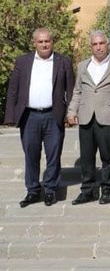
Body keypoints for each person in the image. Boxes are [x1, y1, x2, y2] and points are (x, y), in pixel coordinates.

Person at [5, 28, 74, 207]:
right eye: (41, 41)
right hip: (29, 116)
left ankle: (51, 190)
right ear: (34, 43)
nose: (44, 44)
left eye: (47, 41)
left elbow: (71, 90)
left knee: (53, 154)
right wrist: (11, 116)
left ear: (52, 42)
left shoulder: (63, 61)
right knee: (31, 154)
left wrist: (71, 114)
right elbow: (13, 89)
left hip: (54, 115)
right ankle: (33, 191)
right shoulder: (23, 61)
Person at [66, 30, 110, 205]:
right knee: (86, 156)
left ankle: (107, 189)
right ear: (91, 46)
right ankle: (87, 190)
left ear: (107, 44)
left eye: (101, 43)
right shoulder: (83, 65)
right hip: (85, 116)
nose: (98, 47)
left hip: (107, 116)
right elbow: (77, 91)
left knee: (107, 156)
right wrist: (71, 111)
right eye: (95, 44)